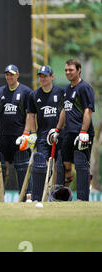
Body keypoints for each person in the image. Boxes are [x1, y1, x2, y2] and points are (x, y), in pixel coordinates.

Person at [50, 59, 95, 201]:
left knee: (81, 164)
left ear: (79, 70)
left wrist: (83, 132)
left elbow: (88, 111)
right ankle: (64, 196)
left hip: (82, 133)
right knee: (63, 163)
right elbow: (65, 109)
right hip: (69, 132)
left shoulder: (84, 88)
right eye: (66, 70)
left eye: (71, 70)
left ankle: (82, 198)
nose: (68, 72)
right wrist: (57, 129)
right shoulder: (67, 89)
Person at [0, 65, 33, 200]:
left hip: (19, 136)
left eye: (12, 74)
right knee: (1, 168)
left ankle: (26, 197)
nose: (9, 77)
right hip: (3, 138)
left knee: (22, 168)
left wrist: (26, 134)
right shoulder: (0, 92)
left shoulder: (26, 91)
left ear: (17, 75)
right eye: (7, 74)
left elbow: (29, 114)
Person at [26, 65, 65, 202]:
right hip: (42, 136)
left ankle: (58, 195)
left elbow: (65, 112)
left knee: (59, 165)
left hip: (59, 135)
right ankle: (38, 195)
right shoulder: (34, 95)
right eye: (40, 76)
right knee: (40, 165)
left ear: (52, 77)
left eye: (45, 76)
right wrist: (33, 134)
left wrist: (58, 129)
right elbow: (31, 115)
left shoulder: (61, 92)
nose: (42, 79)